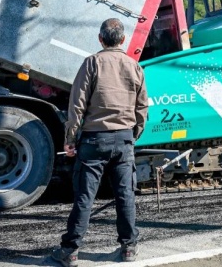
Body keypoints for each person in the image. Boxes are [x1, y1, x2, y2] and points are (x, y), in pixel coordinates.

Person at [52, 18, 148, 267]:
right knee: (125, 195)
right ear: (123, 40)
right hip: (124, 139)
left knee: (85, 196)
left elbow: (77, 104)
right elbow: (142, 107)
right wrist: (133, 135)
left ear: (100, 39)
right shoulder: (134, 66)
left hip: (94, 140)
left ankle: (70, 251)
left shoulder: (92, 63)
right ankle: (128, 248)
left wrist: (70, 139)